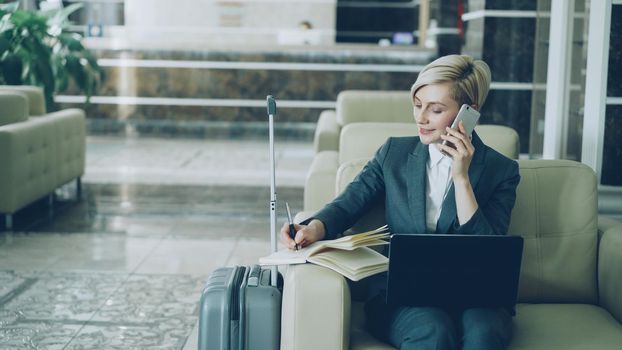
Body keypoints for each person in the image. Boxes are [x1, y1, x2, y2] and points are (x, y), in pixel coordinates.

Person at [280, 54, 520, 350]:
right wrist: (313, 228)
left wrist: (462, 179)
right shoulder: (393, 153)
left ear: (468, 112)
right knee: (432, 332)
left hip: (477, 297)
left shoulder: (502, 171)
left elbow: (490, 253)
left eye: (435, 109)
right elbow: (347, 204)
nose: (421, 118)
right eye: (418, 105)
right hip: (404, 294)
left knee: (482, 336)